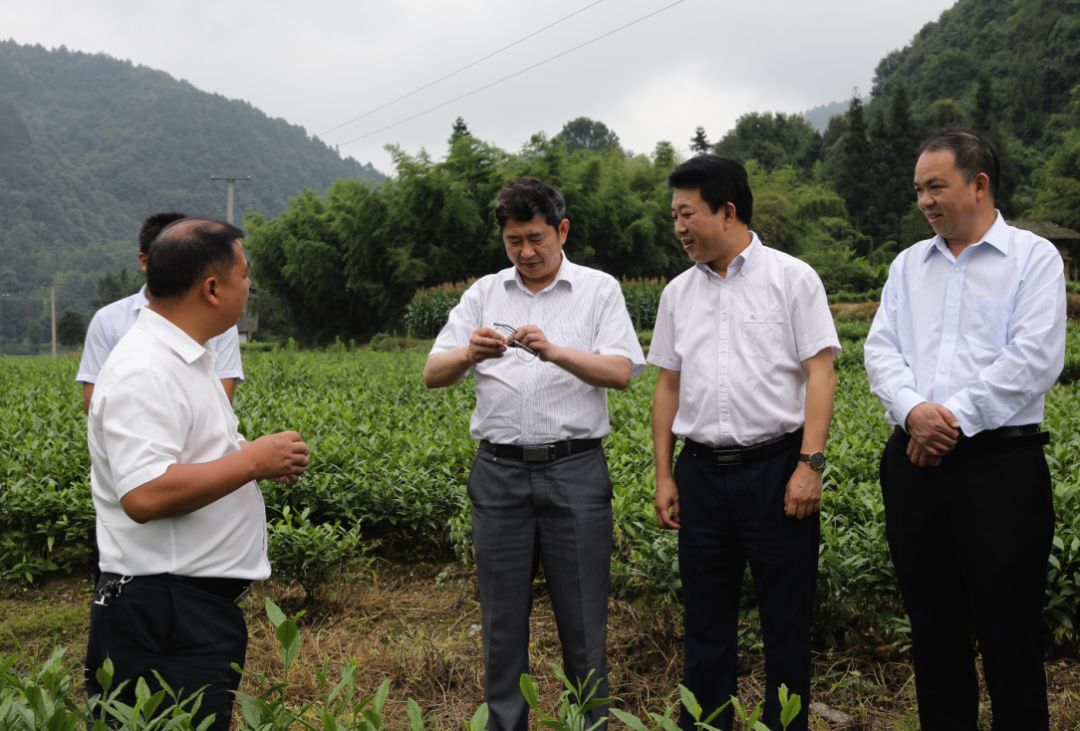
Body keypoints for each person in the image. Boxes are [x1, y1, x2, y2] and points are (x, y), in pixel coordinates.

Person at [422, 176, 645, 731]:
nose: (525, 252)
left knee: (583, 619)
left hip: (575, 469)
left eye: (536, 238)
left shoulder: (598, 290)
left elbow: (621, 371)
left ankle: (588, 723)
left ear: (562, 230)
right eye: (513, 240)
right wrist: (468, 353)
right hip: (498, 474)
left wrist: (554, 351)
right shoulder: (484, 293)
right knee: (501, 623)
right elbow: (432, 373)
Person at [864, 129, 1065, 729]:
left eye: (935, 186)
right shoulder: (907, 265)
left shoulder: (1033, 258)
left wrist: (949, 421)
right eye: (918, 189)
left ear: (978, 185)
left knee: (1011, 631)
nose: (924, 200)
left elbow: (1034, 358)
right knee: (933, 628)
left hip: (1002, 468)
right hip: (914, 465)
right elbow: (881, 352)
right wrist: (913, 414)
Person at [84, 217, 309, 731]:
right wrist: (252, 461)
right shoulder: (146, 368)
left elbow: (184, 457)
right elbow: (144, 493)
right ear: (212, 288)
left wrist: (254, 458)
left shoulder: (188, 357)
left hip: (187, 606)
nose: (249, 286)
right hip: (163, 612)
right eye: (244, 275)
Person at [650, 155, 839, 731]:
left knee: (785, 622)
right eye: (674, 215)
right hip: (702, 474)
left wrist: (809, 465)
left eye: (688, 213)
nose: (679, 227)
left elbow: (821, 373)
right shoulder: (677, 293)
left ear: (727, 211)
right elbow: (666, 385)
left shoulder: (792, 277)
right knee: (705, 624)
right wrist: (664, 474)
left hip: (776, 470)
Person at [77, 211, 244, 413]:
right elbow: (99, 406)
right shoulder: (137, 354)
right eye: (244, 276)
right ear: (146, 261)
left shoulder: (219, 327)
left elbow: (218, 413)